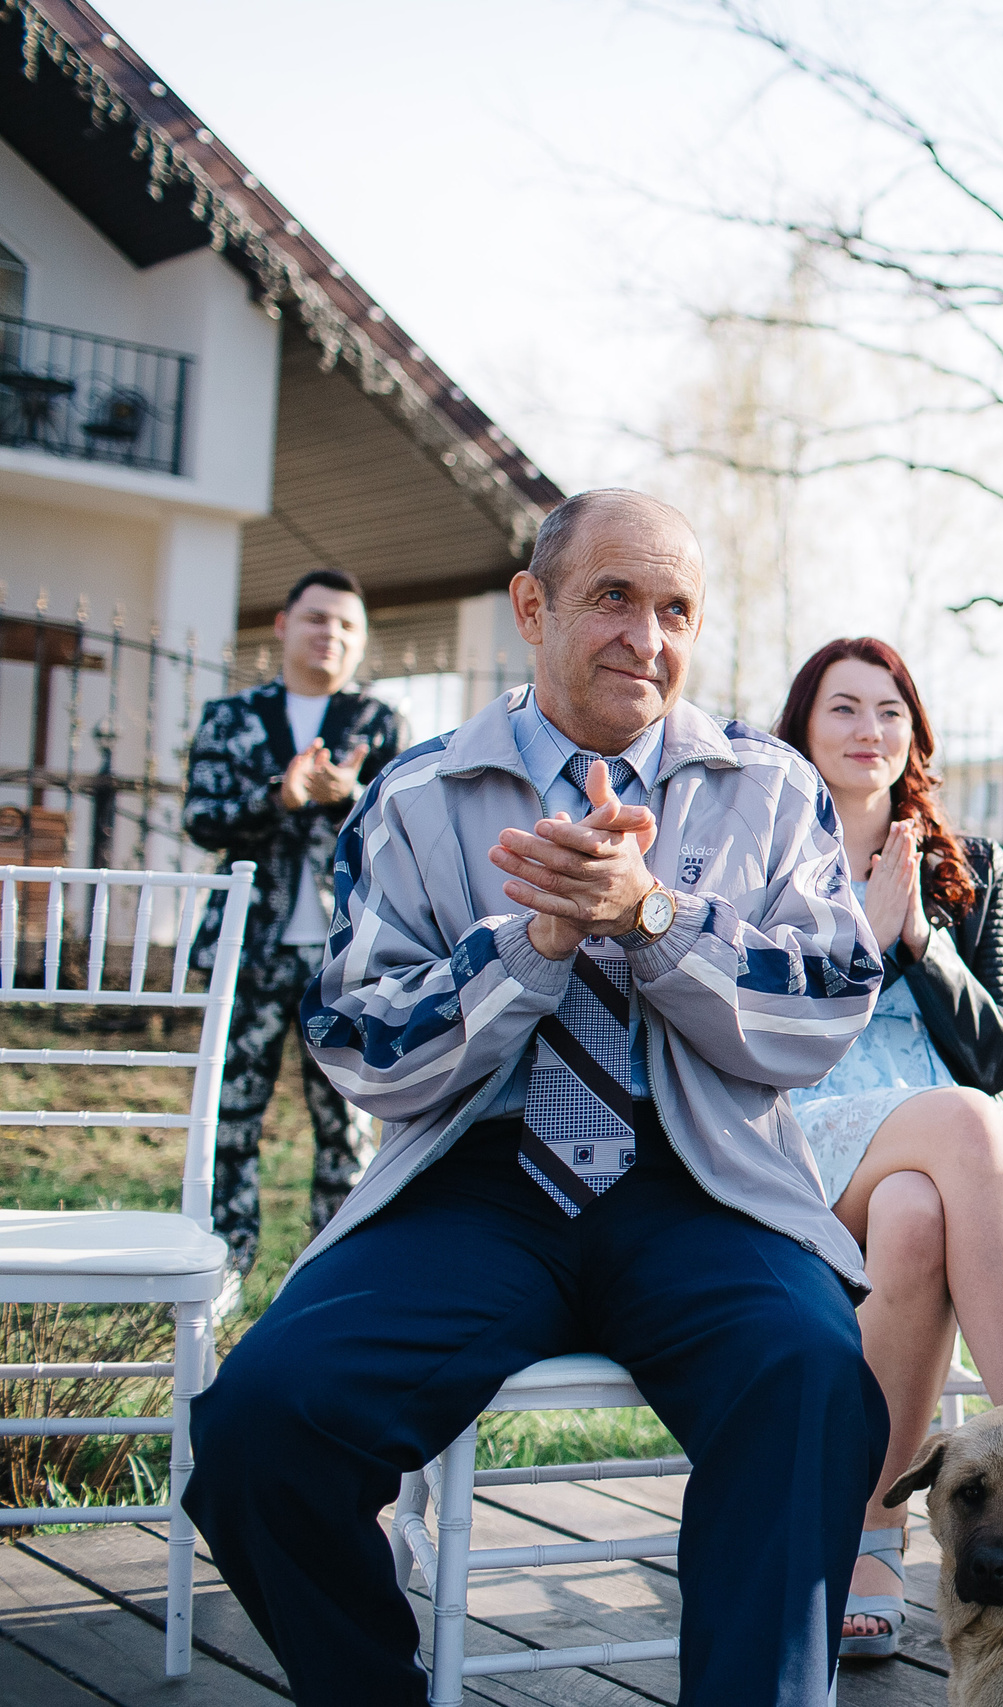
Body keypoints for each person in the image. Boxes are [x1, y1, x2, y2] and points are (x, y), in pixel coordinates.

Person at [183, 491, 890, 1707]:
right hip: (475, 1186)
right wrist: (530, 948)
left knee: (815, 1385)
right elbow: (359, 1047)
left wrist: (653, 919)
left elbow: (824, 1012)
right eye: (612, 597)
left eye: (675, 610)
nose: (645, 639)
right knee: (259, 1426)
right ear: (532, 606)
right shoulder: (417, 796)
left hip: (701, 1183)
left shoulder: (770, 790)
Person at [772, 635, 1003, 1657]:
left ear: (915, 735)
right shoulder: (766, 853)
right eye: (844, 708)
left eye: (890, 711)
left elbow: (1000, 1055)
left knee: (916, 1212)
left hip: (942, 1169)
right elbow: (756, 1033)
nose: (869, 729)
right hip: (804, 1131)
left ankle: (873, 1530)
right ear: (803, 728)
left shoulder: (969, 868)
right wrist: (861, 941)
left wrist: (921, 940)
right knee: (965, 1122)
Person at [182, 565, 402, 1271]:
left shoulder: (379, 723)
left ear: (360, 640)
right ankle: (221, 1262)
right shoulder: (231, 717)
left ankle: (332, 1269)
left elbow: (407, 831)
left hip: (347, 955)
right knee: (230, 1114)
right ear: (283, 625)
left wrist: (349, 798)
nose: (330, 634)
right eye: (316, 618)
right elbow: (201, 818)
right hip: (246, 945)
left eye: (346, 625)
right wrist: (279, 796)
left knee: (347, 1122)